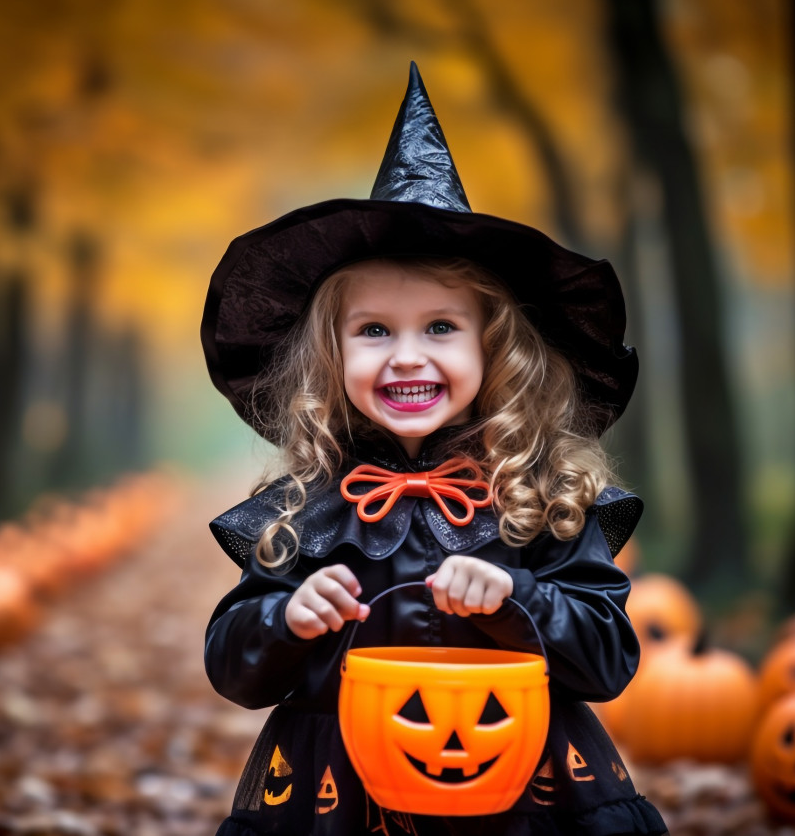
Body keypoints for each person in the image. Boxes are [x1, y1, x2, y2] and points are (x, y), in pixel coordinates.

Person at [200, 63, 667, 836]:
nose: (406, 356)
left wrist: (520, 597)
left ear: (496, 349)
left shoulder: (541, 500)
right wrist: (288, 613)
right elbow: (231, 666)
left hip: (520, 787)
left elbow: (609, 658)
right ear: (331, 356)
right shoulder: (302, 511)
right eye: (374, 330)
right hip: (337, 797)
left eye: (440, 327)